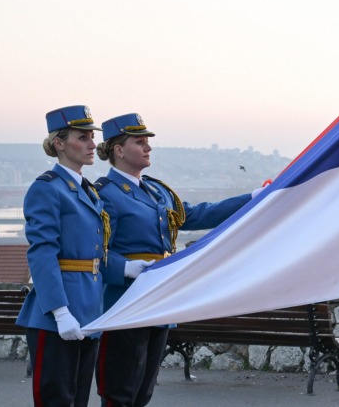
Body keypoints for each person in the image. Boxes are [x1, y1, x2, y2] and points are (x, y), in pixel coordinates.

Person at [93, 113, 262, 407]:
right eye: (139, 142)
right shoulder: (105, 194)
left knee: (143, 390)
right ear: (118, 150)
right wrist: (127, 268)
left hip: (159, 301)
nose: (148, 148)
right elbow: (95, 252)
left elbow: (197, 215)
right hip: (125, 302)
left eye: (148, 142)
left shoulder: (157, 191)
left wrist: (253, 198)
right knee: (120, 391)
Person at [16, 105, 109, 407]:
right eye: (82, 137)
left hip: (89, 308)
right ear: (59, 143)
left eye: (92, 137)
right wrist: (60, 311)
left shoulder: (87, 189)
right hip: (58, 313)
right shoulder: (47, 189)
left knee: (78, 400)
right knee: (57, 400)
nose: (93, 144)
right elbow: (42, 252)